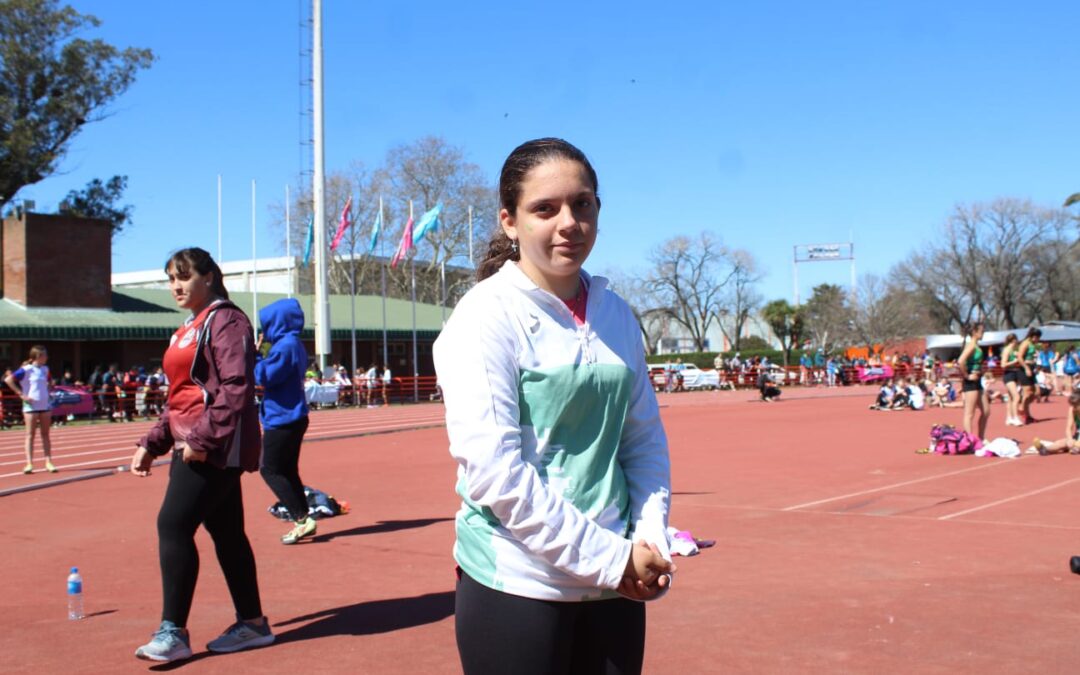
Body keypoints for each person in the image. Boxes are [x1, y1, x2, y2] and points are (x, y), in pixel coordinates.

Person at [434, 138, 674, 674]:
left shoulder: (616, 315)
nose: (568, 222)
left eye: (582, 203)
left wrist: (650, 537)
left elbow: (641, 441)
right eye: (545, 208)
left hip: (614, 588)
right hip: (519, 583)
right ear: (510, 221)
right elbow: (498, 477)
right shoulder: (484, 318)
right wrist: (614, 559)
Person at [130, 248, 271, 663]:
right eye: (171, 278)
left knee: (172, 525)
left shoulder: (226, 320)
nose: (176, 286)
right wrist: (152, 442)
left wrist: (205, 440)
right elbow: (180, 398)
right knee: (227, 534)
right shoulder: (188, 326)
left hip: (211, 448)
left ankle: (172, 632)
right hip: (192, 442)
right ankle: (253, 624)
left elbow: (235, 387)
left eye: (184, 276)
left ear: (209, 277)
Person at [255, 298, 316, 545]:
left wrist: (254, 357)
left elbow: (264, 376)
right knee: (288, 469)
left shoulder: (285, 346)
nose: (264, 330)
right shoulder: (291, 344)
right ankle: (303, 517)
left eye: (267, 324)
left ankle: (301, 518)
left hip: (283, 417)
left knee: (269, 468)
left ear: (277, 322)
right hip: (291, 415)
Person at [4, 345, 57, 473]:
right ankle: (29, 463)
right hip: (30, 406)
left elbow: (49, 381)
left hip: (45, 405)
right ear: (38, 357)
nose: (47, 357)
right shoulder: (26, 370)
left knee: (45, 434)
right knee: (30, 435)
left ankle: (48, 461)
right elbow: (8, 380)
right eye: (44, 355)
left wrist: (50, 389)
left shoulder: (45, 369)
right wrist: (21, 394)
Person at [957, 322, 989, 439]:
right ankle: (970, 440)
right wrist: (967, 375)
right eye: (981, 331)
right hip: (970, 382)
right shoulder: (971, 345)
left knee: (986, 411)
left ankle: (981, 438)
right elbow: (960, 361)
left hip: (978, 381)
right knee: (969, 413)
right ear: (975, 332)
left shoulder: (976, 346)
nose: (983, 333)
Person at [1017, 328, 1042, 425]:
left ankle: (1026, 412)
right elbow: (1020, 357)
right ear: (1032, 336)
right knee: (1027, 392)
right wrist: (1026, 368)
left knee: (1036, 393)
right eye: (1037, 338)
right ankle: (1022, 410)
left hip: (1032, 368)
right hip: (1024, 369)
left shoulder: (1032, 345)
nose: (1037, 340)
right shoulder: (1025, 343)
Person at [1000, 333, 1022, 426]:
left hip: (1014, 373)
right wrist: (1014, 361)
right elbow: (1003, 364)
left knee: (1010, 397)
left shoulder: (1013, 350)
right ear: (1013, 340)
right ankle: (1015, 417)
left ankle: (1009, 417)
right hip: (1009, 374)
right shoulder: (1007, 350)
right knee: (1016, 396)